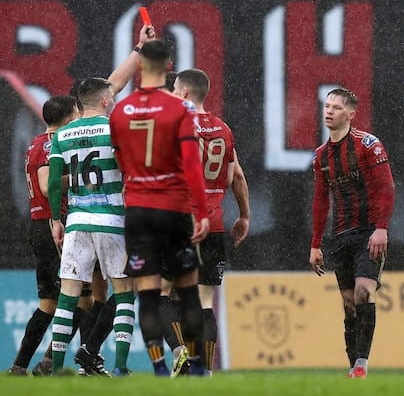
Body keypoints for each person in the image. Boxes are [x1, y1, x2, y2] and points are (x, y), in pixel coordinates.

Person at [109, 39, 210, 377]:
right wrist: (202, 212)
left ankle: (159, 369)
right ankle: (195, 367)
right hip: (174, 207)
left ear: (140, 67)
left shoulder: (120, 111)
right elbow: (192, 166)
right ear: (169, 67)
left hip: (138, 209)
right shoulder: (180, 109)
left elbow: (122, 161)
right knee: (187, 290)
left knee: (148, 294)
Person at [163, 68, 251, 376]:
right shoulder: (223, 129)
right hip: (213, 225)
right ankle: (205, 372)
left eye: (174, 89)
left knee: (162, 294)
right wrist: (244, 215)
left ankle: (180, 354)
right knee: (203, 299)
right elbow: (235, 176)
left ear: (184, 93)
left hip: (177, 222)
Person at [47, 77, 135, 376]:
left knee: (67, 297)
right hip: (112, 220)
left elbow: (52, 183)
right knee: (124, 292)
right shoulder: (116, 129)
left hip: (77, 221)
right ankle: (121, 366)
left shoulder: (61, 135)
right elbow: (131, 171)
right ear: (106, 101)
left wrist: (57, 220)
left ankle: (57, 369)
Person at [309, 88, 395, 379]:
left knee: (362, 293)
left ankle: (362, 364)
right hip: (340, 234)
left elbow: (387, 188)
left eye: (336, 107)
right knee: (348, 304)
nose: (328, 111)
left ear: (351, 114)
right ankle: (352, 367)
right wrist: (316, 244)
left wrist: (381, 228)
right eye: (327, 106)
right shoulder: (321, 156)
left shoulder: (368, 145)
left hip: (369, 232)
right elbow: (321, 201)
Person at [7, 95, 80, 376]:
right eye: (74, 116)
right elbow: (47, 185)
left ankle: (20, 366)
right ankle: (49, 363)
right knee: (79, 300)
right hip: (53, 227)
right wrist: (81, 175)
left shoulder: (36, 143)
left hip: (41, 225)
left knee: (49, 303)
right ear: (66, 120)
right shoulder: (51, 146)